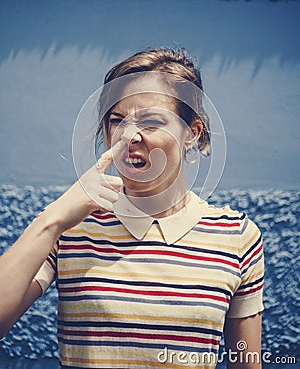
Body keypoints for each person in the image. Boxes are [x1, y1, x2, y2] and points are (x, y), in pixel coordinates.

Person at [0, 48, 264, 368]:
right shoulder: (72, 228)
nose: (129, 135)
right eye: (116, 120)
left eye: (151, 121)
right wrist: (52, 219)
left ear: (191, 133)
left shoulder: (236, 236)